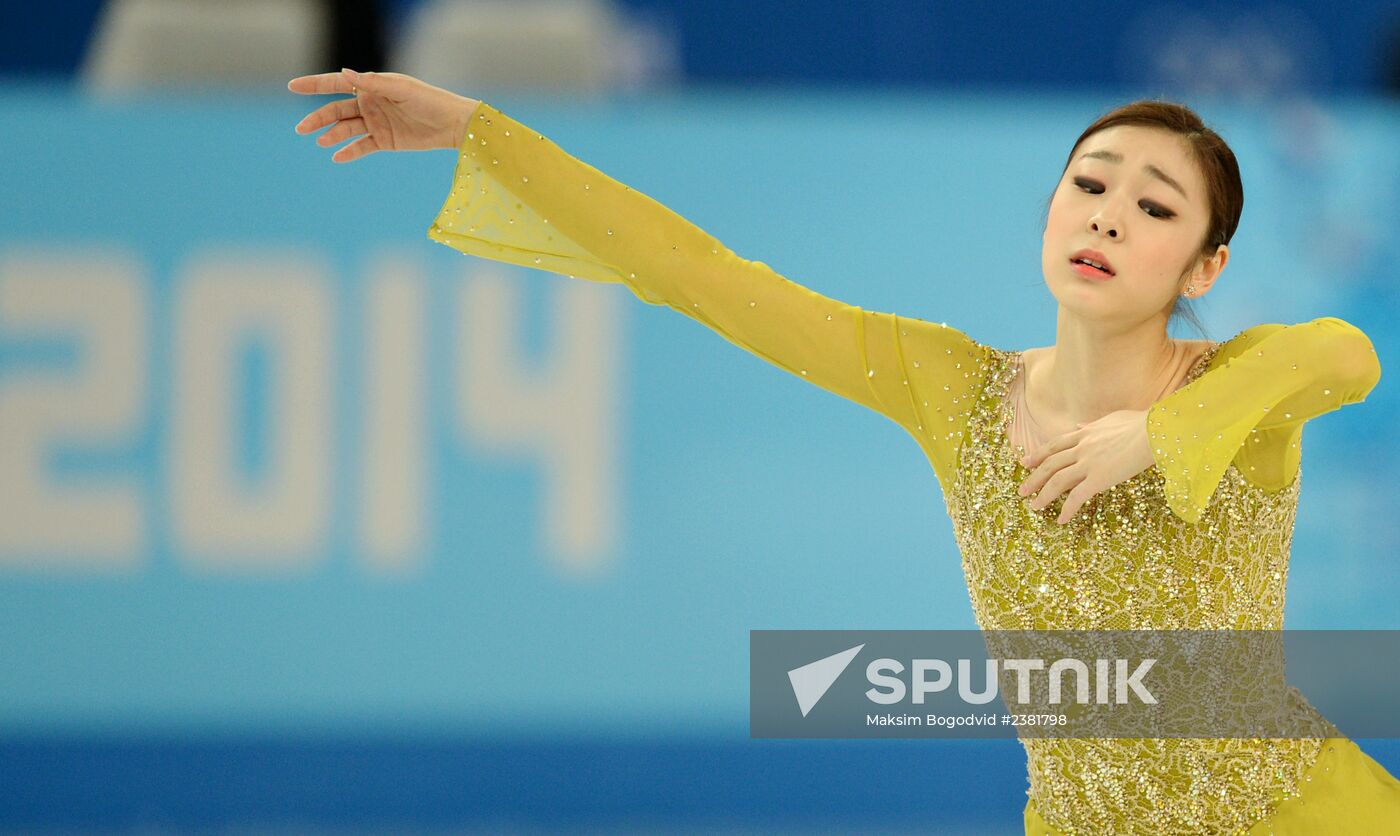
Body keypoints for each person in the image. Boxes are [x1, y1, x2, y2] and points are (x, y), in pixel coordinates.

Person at [288, 68, 1400, 834]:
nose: (1105, 216)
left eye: (1153, 207)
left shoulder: (1231, 391)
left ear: (1201, 268)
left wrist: (1155, 436)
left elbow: (1342, 353)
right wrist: (482, 132)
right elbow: (706, 277)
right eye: (1089, 182)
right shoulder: (955, 386)